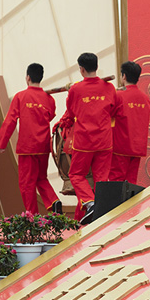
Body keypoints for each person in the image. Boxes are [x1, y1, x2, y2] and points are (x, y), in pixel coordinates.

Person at [0, 63, 62, 215]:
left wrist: (2, 143)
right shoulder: (49, 99)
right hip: (43, 146)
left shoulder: (20, 97)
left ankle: (32, 217)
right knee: (41, 178)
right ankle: (53, 201)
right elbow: (50, 116)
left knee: (27, 184)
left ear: (28, 77)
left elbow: (10, 120)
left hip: (27, 146)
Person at [56, 53, 116, 219]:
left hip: (84, 141)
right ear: (96, 67)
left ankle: (89, 203)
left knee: (76, 175)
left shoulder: (76, 89)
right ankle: (100, 208)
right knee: (101, 179)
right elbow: (112, 110)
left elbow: (71, 112)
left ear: (81, 69)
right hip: (104, 140)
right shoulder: (109, 87)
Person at [110, 61, 150, 184]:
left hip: (121, 146)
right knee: (131, 183)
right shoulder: (145, 98)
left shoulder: (119, 96)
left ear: (124, 76)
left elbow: (106, 114)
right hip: (137, 147)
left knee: (116, 182)